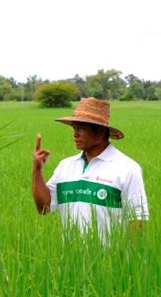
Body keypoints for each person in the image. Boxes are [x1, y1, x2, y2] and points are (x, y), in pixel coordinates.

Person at [32, 97, 149, 239]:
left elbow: (137, 220)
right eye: (74, 128)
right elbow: (44, 208)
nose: (75, 134)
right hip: (71, 258)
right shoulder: (66, 166)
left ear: (100, 131)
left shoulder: (127, 168)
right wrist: (37, 170)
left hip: (110, 258)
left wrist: (126, 260)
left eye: (81, 128)